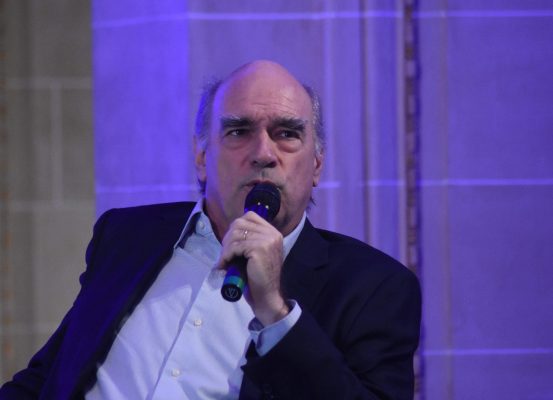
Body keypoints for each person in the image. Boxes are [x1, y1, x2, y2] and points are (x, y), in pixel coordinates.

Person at [0, 60, 421, 399]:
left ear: (316, 164)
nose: (263, 153)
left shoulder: (374, 288)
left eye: (287, 134)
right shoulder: (126, 235)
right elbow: (50, 376)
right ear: (202, 156)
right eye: (239, 131)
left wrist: (275, 311)